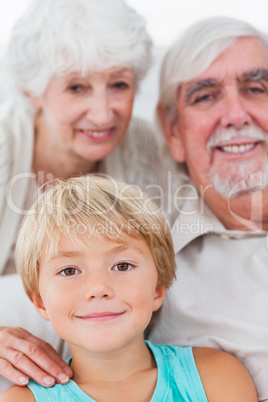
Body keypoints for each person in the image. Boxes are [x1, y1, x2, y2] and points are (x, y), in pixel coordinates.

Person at [0, 0, 164, 390]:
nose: (103, 114)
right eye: (77, 87)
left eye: (119, 84)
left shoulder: (144, 147)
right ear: (33, 90)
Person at [0, 176, 258, 401]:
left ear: (157, 289)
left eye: (122, 266)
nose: (98, 288)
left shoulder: (215, 377)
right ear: (40, 302)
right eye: (69, 271)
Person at [149, 16, 268, 401]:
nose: (236, 115)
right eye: (205, 96)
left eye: (257, 88)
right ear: (173, 133)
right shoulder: (140, 255)